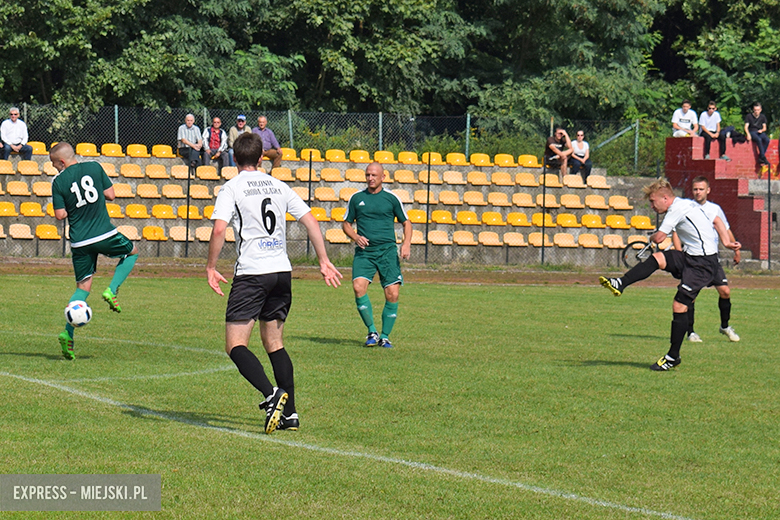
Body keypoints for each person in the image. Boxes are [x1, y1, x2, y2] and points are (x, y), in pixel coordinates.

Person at [206, 132, 342, 434]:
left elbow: (218, 230)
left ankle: (271, 394)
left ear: (235, 158)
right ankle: (290, 414)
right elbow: (310, 220)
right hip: (281, 271)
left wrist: (211, 267)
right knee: (275, 343)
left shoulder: (232, 187)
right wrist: (323, 260)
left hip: (252, 272)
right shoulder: (279, 185)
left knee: (235, 345)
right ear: (261, 157)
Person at [598, 179, 740, 371]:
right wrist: (726, 242)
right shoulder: (686, 203)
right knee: (658, 258)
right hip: (690, 257)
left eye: (653, 201)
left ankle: (673, 356)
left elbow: (659, 238)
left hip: (703, 264)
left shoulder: (676, 209)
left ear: (665, 198)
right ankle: (620, 283)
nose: (652, 206)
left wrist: (651, 237)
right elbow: (716, 220)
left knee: (679, 305)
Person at [50, 143, 139, 360]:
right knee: (133, 252)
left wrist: (72, 206)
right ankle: (112, 290)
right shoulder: (95, 167)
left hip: (80, 241)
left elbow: (60, 215)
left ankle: (67, 333)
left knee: (83, 287)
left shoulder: (58, 182)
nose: (54, 168)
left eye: (54, 164)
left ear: (62, 162)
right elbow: (111, 195)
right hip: (103, 233)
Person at [342, 162, 412, 348]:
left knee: (392, 294)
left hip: (387, 251)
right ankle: (372, 331)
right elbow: (346, 224)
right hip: (365, 253)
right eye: (368, 175)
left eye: (374, 175)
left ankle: (385, 336)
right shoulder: (357, 198)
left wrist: (406, 243)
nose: (370, 178)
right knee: (358, 287)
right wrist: (356, 237)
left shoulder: (391, 198)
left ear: (383, 177)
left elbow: (407, 222)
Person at [677, 176, 740, 343]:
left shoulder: (715, 209)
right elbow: (676, 232)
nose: (698, 192)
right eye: (695, 189)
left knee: (725, 291)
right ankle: (690, 332)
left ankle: (725, 326)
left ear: (708, 190)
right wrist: (678, 251)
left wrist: (736, 249)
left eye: (701, 189)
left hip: (712, 260)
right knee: (691, 296)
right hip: (693, 260)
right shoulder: (687, 208)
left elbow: (725, 229)